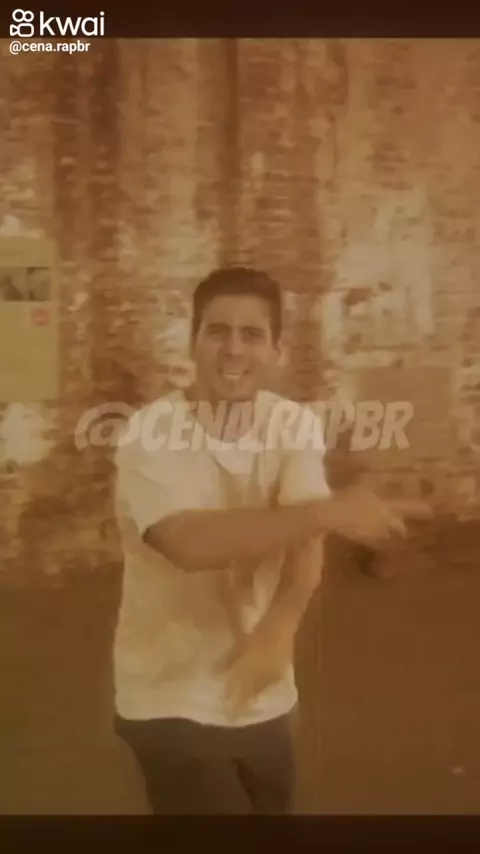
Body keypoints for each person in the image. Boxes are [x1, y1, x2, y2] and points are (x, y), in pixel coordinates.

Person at [112, 267, 431, 814]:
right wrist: (329, 511)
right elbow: (186, 543)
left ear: (277, 351)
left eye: (252, 334)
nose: (234, 349)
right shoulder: (148, 435)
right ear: (193, 342)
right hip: (169, 694)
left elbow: (305, 541)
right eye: (218, 331)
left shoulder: (292, 425)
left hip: (263, 689)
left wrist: (278, 630)